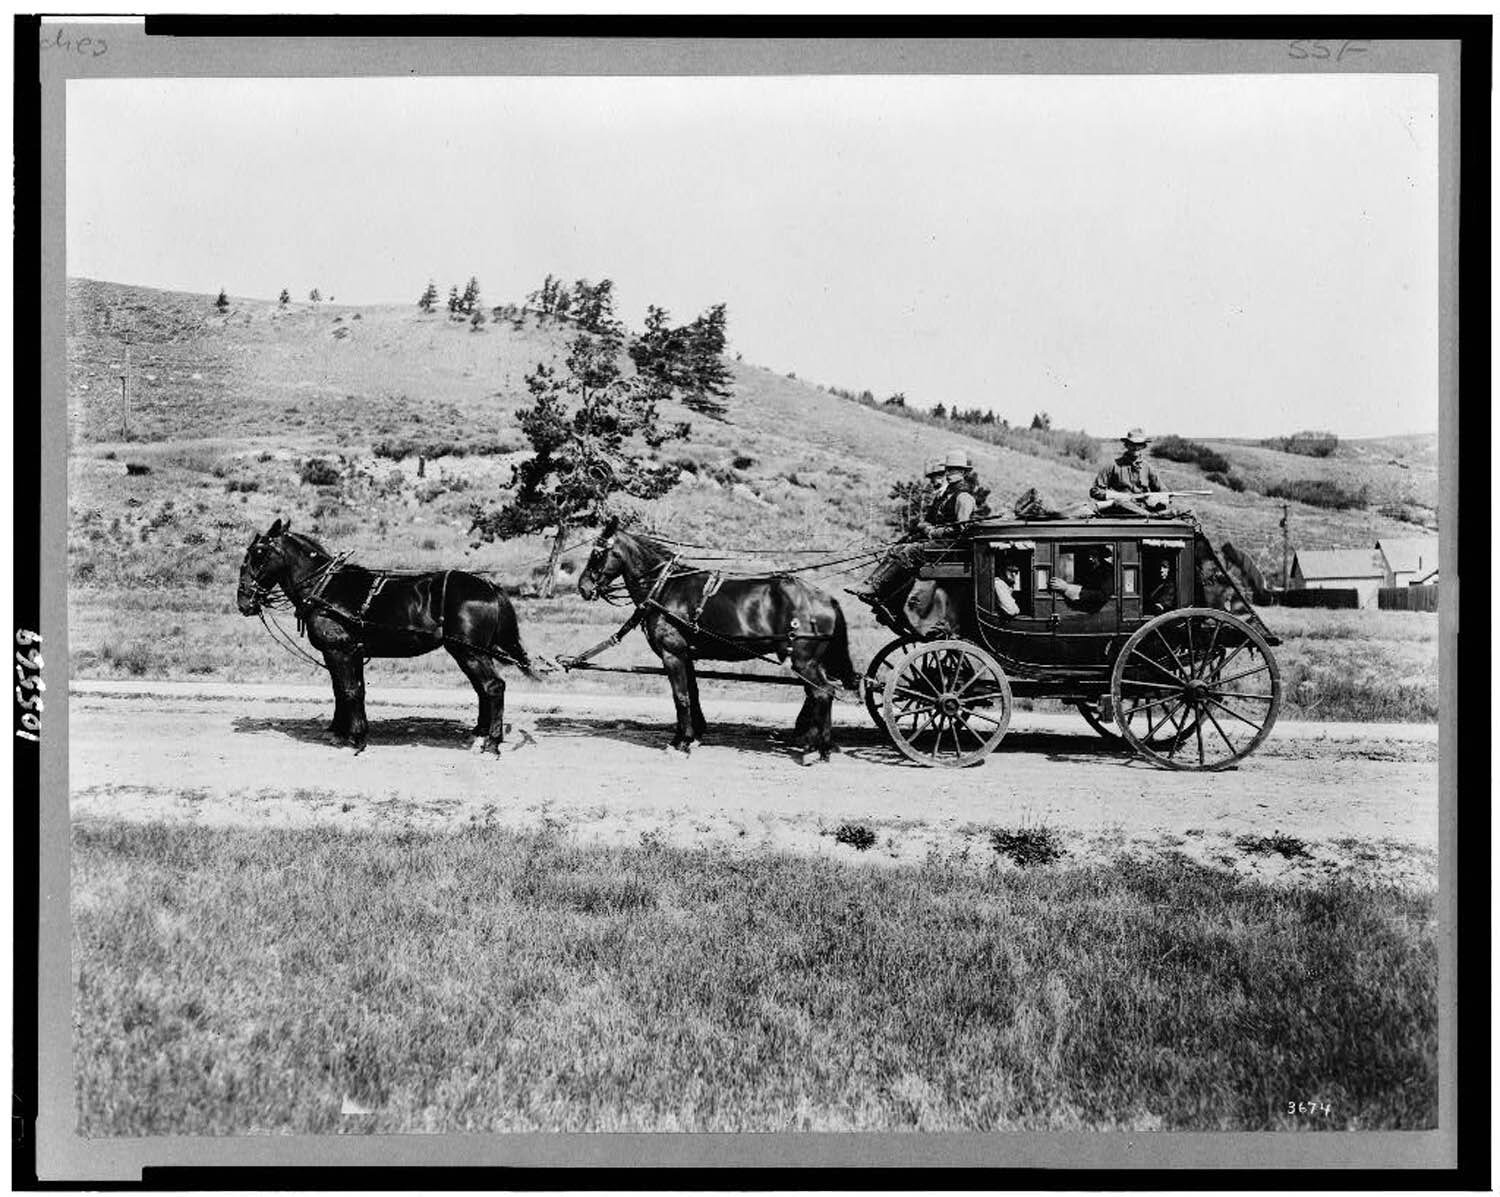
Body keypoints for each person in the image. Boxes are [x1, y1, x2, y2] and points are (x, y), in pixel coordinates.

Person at [1090, 428, 1167, 512]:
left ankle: (1146, 514)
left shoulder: (1148, 467)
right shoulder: (1112, 465)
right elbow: (1095, 491)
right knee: (1121, 502)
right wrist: (1117, 496)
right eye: (1132, 444)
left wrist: (1154, 498)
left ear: (1144, 446)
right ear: (1126, 445)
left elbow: (1163, 491)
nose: (1135, 447)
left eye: (1139, 444)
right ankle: (1147, 515)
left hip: (1143, 508)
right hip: (1119, 510)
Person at [1050, 545, 1115, 612]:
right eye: (1089, 554)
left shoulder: (1107, 571)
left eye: (1093, 554)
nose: (1090, 558)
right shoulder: (1089, 567)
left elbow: (1101, 595)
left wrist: (1067, 588)